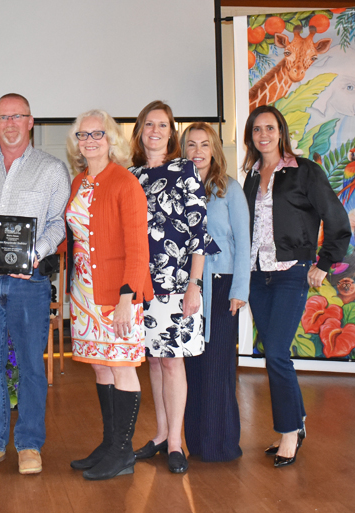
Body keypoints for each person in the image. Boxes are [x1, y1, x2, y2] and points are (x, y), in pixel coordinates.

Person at [0, 93, 71, 475]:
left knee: (31, 367)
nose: (9, 123)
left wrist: (34, 253)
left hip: (30, 281)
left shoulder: (52, 169)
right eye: (3, 117)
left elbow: (58, 223)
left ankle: (30, 444)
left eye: (17, 116)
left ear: (31, 121)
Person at [242, 105, 350, 467]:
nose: (264, 135)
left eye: (270, 128)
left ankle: (289, 432)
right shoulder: (252, 176)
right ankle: (297, 423)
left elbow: (336, 219)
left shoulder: (305, 171)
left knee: (274, 351)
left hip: (291, 271)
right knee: (273, 351)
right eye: (257, 129)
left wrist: (322, 262)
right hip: (259, 275)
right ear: (251, 136)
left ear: (281, 132)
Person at [64, 110, 153, 480]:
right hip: (84, 292)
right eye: (83, 135)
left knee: (122, 366)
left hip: (118, 294)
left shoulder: (125, 182)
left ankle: (123, 452)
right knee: (101, 365)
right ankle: (108, 443)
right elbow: (76, 234)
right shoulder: (80, 181)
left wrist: (126, 299)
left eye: (97, 134)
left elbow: (138, 247)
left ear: (112, 138)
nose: (90, 140)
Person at [129, 100, 216, 474]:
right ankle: (162, 434)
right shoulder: (130, 176)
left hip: (177, 285)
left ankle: (177, 443)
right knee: (154, 359)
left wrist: (194, 284)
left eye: (162, 125)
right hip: (140, 288)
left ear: (171, 132)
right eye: (149, 124)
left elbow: (199, 232)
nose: (155, 131)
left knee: (173, 361)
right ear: (139, 131)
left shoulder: (184, 170)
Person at [180, 123, 250, 463]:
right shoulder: (178, 190)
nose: (197, 151)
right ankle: (198, 443)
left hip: (222, 287)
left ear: (214, 150)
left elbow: (243, 242)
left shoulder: (229, 190)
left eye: (204, 145)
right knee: (193, 368)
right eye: (191, 145)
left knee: (218, 368)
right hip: (188, 289)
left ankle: (222, 445)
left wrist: (240, 289)